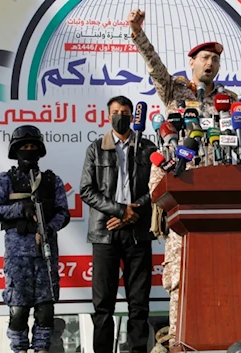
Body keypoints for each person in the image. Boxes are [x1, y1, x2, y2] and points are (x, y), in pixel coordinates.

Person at [127, 8, 239, 348]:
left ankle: (218, 334)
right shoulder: (175, 89)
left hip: (216, 193)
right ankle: (178, 339)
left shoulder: (229, 101)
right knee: (179, 272)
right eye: (204, 58)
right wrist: (138, 34)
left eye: (215, 61)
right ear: (192, 62)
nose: (210, 64)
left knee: (219, 270)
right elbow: (155, 67)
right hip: (181, 190)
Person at [79, 95, 157, 353]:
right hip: (105, 233)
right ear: (108, 115)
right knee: (103, 306)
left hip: (138, 233)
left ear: (133, 116)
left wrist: (134, 212)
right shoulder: (95, 148)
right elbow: (86, 190)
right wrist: (120, 210)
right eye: (116, 112)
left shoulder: (146, 147)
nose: (120, 116)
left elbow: (156, 188)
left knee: (139, 304)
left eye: (125, 112)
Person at [0, 125, 70, 353]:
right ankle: (19, 348)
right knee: (18, 311)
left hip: (45, 255)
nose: (29, 150)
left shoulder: (52, 181)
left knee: (45, 309)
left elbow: (64, 213)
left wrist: (48, 229)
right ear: (16, 150)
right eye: (24, 146)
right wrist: (20, 209)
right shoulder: (5, 180)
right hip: (18, 257)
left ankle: (41, 348)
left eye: (33, 146)